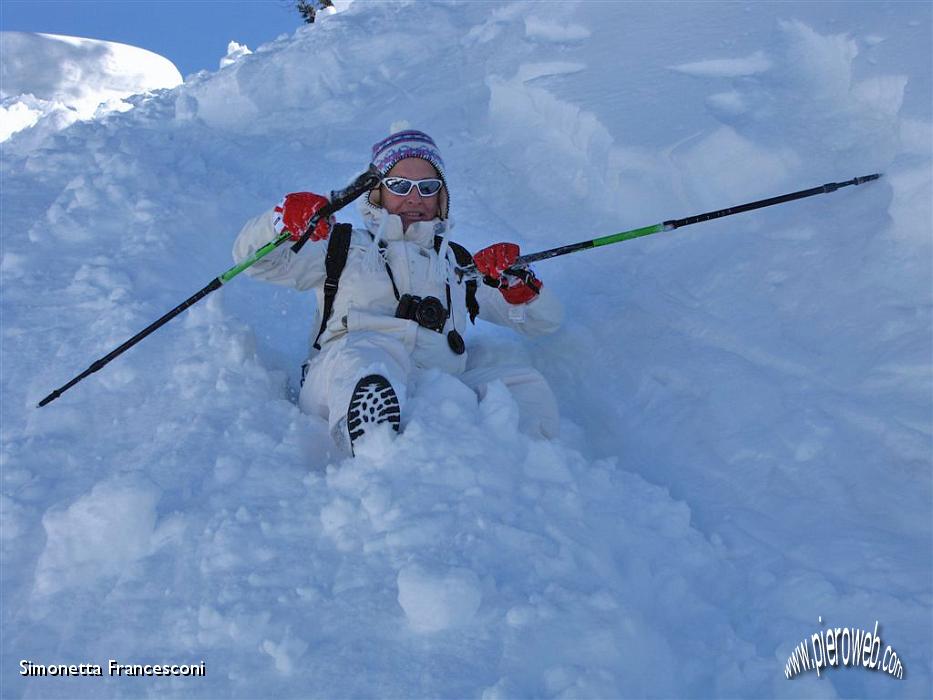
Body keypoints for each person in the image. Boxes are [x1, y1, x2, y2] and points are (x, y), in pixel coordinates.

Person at [233, 129, 562, 454]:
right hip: (341, 376)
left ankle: (521, 472)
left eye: (428, 187)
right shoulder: (340, 247)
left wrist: (516, 283)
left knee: (523, 385)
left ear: (441, 196)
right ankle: (373, 448)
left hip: (433, 384)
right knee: (371, 353)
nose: (415, 197)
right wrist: (279, 223)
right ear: (376, 192)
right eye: (400, 186)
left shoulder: (456, 264)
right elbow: (254, 262)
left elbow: (541, 323)